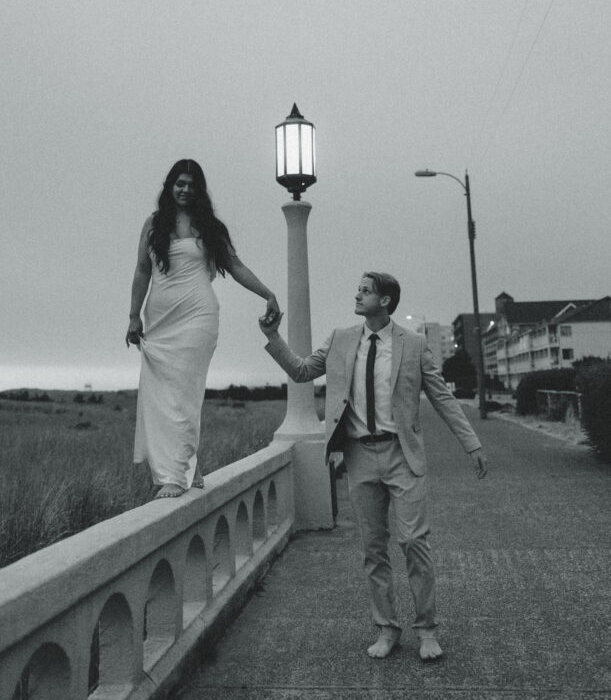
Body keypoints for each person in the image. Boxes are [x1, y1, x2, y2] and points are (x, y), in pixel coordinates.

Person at [258, 270, 487, 661]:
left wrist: (471, 443)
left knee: (414, 541)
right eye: (358, 288)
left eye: (366, 290)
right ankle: (386, 628)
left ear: (385, 300)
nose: (358, 294)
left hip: (403, 453)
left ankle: (427, 629)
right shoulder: (341, 339)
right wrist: (272, 337)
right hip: (359, 456)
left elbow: (441, 397)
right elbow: (300, 372)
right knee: (373, 548)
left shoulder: (412, 344)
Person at [127, 158, 279, 499]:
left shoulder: (209, 227)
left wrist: (266, 293)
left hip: (198, 317)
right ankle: (188, 466)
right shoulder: (153, 225)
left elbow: (235, 265)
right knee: (160, 397)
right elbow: (141, 271)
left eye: (192, 186)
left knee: (185, 392)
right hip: (160, 321)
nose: (185, 190)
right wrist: (133, 316)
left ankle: (174, 475)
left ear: (199, 191)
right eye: (180, 184)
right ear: (170, 186)